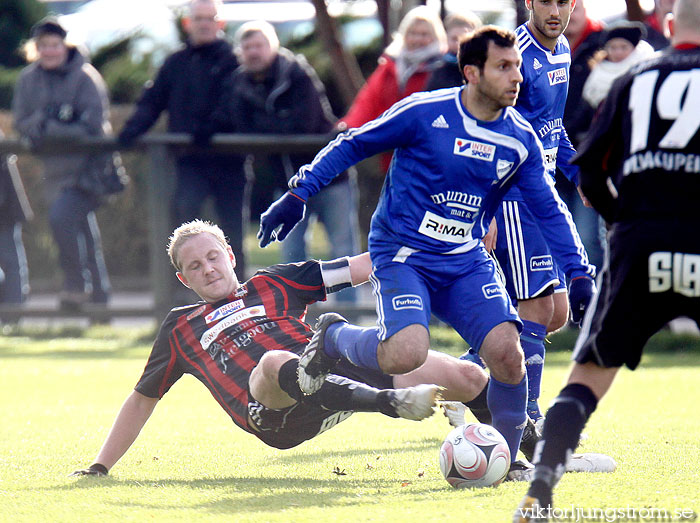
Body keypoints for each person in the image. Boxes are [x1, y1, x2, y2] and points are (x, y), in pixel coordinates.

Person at [258, 26, 596, 480]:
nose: (517, 77)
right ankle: (334, 335)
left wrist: (578, 273)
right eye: (503, 67)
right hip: (404, 253)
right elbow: (353, 144)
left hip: (465, 259)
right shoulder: (426, 113)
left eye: (517, 65)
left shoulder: (520, 138)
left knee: (507, 354)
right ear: (471, 73)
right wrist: (298, 193)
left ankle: (507, 461)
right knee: (405, 355)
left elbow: (550, 211)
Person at [69, 219, 491, 476]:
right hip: (276, 414)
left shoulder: (275, 282)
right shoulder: (180, 327)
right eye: (194, 266)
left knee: (469, 377)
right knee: (275, 361)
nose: (207, 269)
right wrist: (99, 465)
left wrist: (443, 245)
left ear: (230, 255)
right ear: (184, 280)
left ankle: (518, 454)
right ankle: (386, 401)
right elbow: (143, 399)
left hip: (336, 376)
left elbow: (366, 267)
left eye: (213, 257)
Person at [515, 0, 700, 518]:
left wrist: (624, 223)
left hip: (639, 242)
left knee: (587, 373)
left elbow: (589, 169)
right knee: (537, 313)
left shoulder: (633, 79)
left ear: (666, 28)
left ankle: (539, 492)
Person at [485, 0, 596, 427]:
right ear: (529, 1)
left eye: (561, 1)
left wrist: (578, 172)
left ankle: (467, 376)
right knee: (535, 309)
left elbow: (551, 126)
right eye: (544, 0)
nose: (554, 10)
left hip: (543, 195)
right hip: (512, 196)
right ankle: (526, 417)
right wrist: (487, 207)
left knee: (557, 313)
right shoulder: (514, 55)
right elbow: (491, 131)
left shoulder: (563, 49)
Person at [227, 21, 360, 302]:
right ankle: (297, 320)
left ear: (274, 46)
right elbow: (242, 129)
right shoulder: (238, 83)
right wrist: (274, 126)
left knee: (343, 251)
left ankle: (350, 317)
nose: (254, 52)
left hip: (329, 176)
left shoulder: (296, 72)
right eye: (247, 46)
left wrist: (266, 127)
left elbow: (304, 123)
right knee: (291, 253)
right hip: (285, 184)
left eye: (259, 45)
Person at [117, 0, 248, 280]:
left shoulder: (234, 61)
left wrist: (211, 127)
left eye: (209, 18)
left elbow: (235, 103)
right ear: (188, 23)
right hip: (190, 161)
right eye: (197, 18)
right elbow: (152, 101)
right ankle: (183, 293)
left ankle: (243, 297)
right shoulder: (176, 63)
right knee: (185, 222)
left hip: (229, 162)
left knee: (232, 229)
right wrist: (131, 131)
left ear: (220, 23)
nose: (203, 24)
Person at [12, 17, 112, 310]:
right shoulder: (28, 79)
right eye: (43, 46)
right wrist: (57, 122)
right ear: (36, 48)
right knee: (83, 233)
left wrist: (48, 127)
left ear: (65, 45)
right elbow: (22, 122)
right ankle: (100, 302)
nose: (50, 51)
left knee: (62, 219)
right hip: (54, 171)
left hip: (88, 171)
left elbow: (93, 124)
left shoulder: (85, 77)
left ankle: (75, 286)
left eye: (55, 45)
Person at [337, 5, 447, 173]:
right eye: (413, 33)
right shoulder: (390, 65)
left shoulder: (442, 68)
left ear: (435, 36)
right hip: (390, 155)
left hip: (428, 157)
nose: (417, 39)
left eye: (424, 34)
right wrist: (347, 128)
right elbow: (368, 101)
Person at [582, 22, 655, 110]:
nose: (618, 52)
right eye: (613, 47)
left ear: (634, 49)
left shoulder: (645, 69)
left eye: (624, 47)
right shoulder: (597, 72)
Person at [0, 131, 32, 306]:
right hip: (6, 209)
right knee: (12, 262)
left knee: (11, 262)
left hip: (5, 213)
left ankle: (13, 312)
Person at [425, 11, 482, 91]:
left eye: (465, 38)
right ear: (446, 37)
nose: (459, 44)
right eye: (454, 39)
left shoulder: (481, 67)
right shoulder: (437, 67)